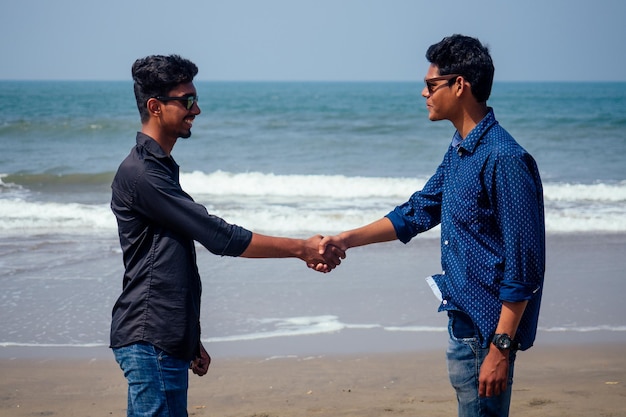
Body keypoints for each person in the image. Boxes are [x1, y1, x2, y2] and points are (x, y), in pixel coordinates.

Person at [316, 34, 545, 417]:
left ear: (459, 85)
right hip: (463, 322)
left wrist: (500, 348)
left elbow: (524, 267)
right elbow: (419, 210)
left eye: (430, 85)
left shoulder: (505, 158)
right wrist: (345, 239)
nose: (423, 93)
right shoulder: (462, 147)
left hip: (487, 332)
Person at [110, 54, 344, 417]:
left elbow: (169, 261)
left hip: (164, 338)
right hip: (149, 337)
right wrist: (301, 248)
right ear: (155, 107)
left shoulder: (158, 169)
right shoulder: (142, 174)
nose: (197, 109)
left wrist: (191, 337)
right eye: (187, 101)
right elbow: (218, 236)